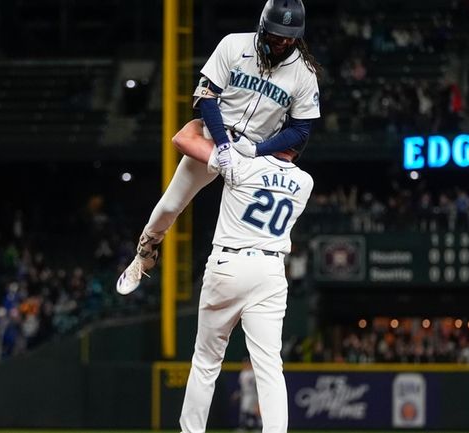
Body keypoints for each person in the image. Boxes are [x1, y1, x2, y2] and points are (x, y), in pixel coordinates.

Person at [117, 0, 321, 295]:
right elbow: (206, 97)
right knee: (171, 205)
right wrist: (223, 146)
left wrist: (257, 151)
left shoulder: (303, 72)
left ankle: (257, 285)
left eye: (289, 37)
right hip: (217, 137)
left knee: (250, 227)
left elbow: (301, 130)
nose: (283, 42)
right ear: (263, 27)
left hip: (257, 153)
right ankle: (145, 253)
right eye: (277, 35)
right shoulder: (234, 46)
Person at [171, 118, 313, 433]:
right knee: (269, 368)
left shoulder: (243, 163)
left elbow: (182, 139)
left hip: (229, 264)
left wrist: (214, 122)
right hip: (270, 270)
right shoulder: (305, 182)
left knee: (206, 361)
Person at [235, 357, 261, 432]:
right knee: (245, 410)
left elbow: (257, 385)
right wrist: (238, 393)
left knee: (255, 411)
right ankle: (245, 427)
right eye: (244, 363)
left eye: (247, 363)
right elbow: (242, 386)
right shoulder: (242, 373)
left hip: (253, 394)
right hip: (245, 394)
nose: (245, 364)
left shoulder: (253, 373)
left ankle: (258, 427)